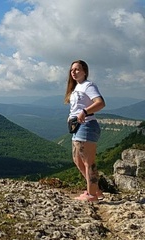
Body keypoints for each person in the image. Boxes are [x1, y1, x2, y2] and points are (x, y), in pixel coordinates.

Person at [65, 60, 105, 202]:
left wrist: (84, 112)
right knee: (77, 160)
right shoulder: (77, 87)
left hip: (87, 126)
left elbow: (100, 103)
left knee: (89, 162)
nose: (74, 72)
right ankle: (95, 190)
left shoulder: (88, 86)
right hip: (78, 127)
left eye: (77, 69)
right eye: (72, 70)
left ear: (84, 71)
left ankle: (92, 195)